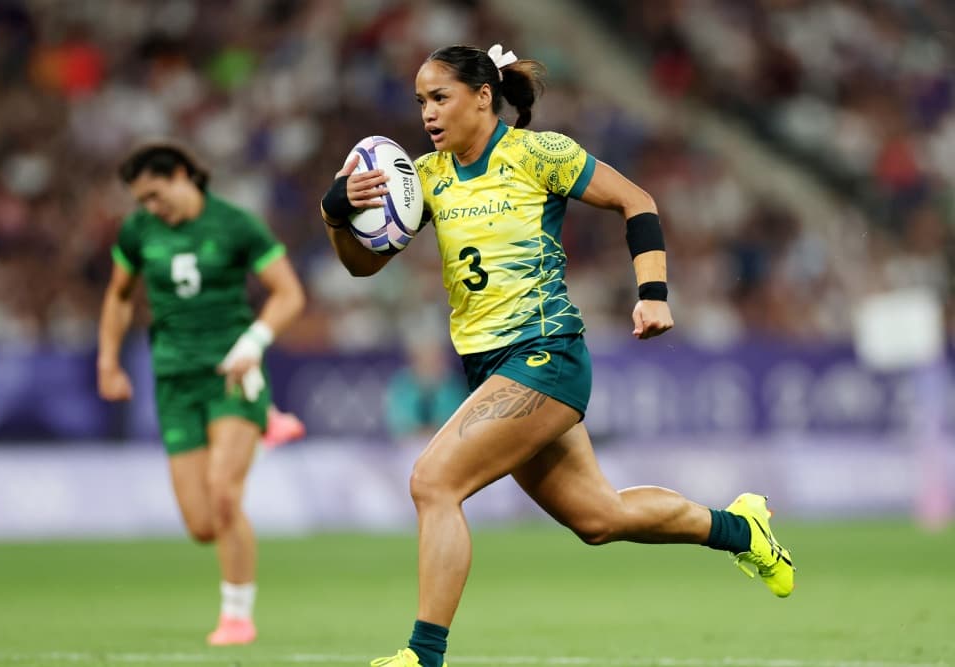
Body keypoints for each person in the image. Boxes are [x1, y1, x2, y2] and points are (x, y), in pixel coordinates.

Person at [319, 44, 795, 667]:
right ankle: (744, 528)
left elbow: (638, 201)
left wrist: (652, 294)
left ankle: (422, 657)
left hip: (545, 354)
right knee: (599, 518)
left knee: (433, 482)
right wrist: (337, 210)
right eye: (420, 102)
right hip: (490, 369)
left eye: (440, 97)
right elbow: (361, 266)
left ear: (482, 96)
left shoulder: (537, 153)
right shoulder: (426, 178)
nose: (428, 114)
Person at [98, 141, 306, 646]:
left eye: (155, 194)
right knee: (201, 523)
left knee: (223, 495)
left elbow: (289, 293)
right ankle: (272, 418)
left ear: (184, 174)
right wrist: (107, 361)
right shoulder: (138, 231)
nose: (150, 207)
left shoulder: (236, 224)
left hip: (230, 376)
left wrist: (254, 342)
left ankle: (237, 616)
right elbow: (119, 296)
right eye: (141, 200)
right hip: (173, 380)